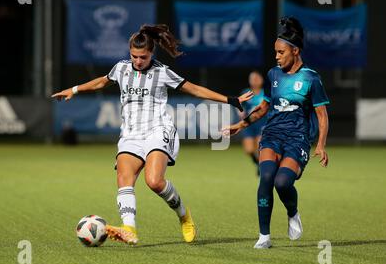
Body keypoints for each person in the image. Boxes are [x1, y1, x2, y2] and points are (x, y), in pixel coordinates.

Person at [52, 24, 253, 245]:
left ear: (151, 53)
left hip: (158, 129)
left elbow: (194, 88)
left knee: (154, 182)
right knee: (124, 180)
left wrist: (230, 99)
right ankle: (130, 229)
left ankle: (184, 216)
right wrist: (73, 90)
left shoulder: (162, 72)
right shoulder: (121, 68)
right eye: (134, 56)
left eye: (143, 57)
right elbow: (102, 81)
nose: (138, 61)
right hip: (131, 134)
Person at [224, 17, 330, 249]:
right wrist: (240, 126)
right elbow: (264, 107)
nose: (276, 56)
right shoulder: (273, 75)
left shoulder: (311, 78)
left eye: (281, 52)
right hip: (272, 135)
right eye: (275, 52)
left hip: (298, 138)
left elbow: (322, 115)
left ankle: (292, 212)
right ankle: (264, 236)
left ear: (295, 50)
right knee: (267, 178)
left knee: (282, 183)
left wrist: (320, 145)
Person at [239, 71, 267, 176]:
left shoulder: (266, 93)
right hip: (249, 124)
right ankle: (258, 163)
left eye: (257, 78)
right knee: (249, 150)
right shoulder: (246, 92)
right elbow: (240, 105)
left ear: (262, 80)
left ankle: (263, 167)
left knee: (260, 147)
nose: (255, 80)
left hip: (262, 123)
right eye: (253, 78)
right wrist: (240, 112)